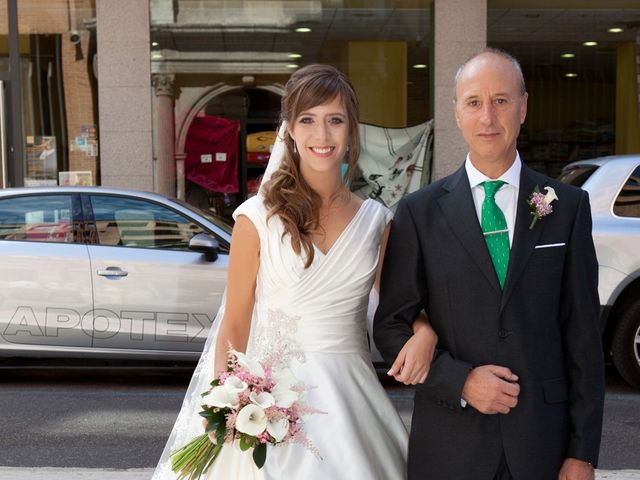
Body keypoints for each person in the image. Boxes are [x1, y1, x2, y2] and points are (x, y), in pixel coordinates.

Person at [152, 63, 436, 480]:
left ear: (351, 129)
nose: (322, 136)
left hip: (352, 399)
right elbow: (235, 321)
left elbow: (396, 304)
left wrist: (426, 331)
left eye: (335, 120)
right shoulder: (255, 218)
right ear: (289, 129)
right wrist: (227, 405)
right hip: (269, 404)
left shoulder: (378, 221)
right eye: (308, 120)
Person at [374, 48, 605, 480]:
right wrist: (458, 380)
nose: (488, 117)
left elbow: (584, 337)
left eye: (501, 100)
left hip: (544, 445)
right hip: (449, 445)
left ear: (523, 107)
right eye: (474, 102)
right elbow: (390, 328)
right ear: (457, 113)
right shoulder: (418, 213)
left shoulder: (567, 207)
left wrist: (583, 451)